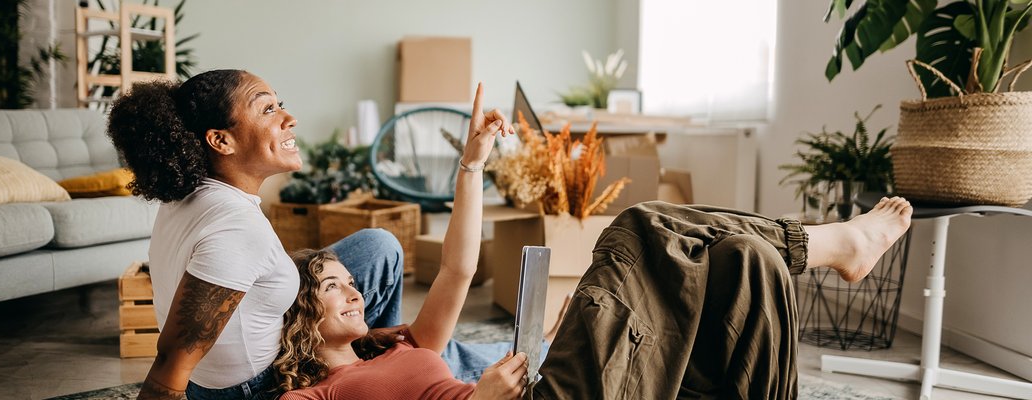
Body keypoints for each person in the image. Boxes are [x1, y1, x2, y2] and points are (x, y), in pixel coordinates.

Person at [275, 88, 915, 399]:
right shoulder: (313, 395)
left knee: (739, 263)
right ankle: (831, 244)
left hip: (541, 387)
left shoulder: (404, 345)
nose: (355, 287)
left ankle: (809, 249)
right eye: (331, 284)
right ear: (300, 320)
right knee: (637, 228)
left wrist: (471, 165)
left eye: (346, 278)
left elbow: (458, 267)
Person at [106, 70, 517, 400]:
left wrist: (472, 163)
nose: (289, 118)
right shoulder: (235, 228)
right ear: (220, 140)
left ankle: (366, 346)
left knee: (378, 247)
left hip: (317, 349)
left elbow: (457, 270)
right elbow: (171, 363)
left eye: (279, 104)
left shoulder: (191, 193)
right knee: (488, 357)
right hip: (251, 387)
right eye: (267, 109)